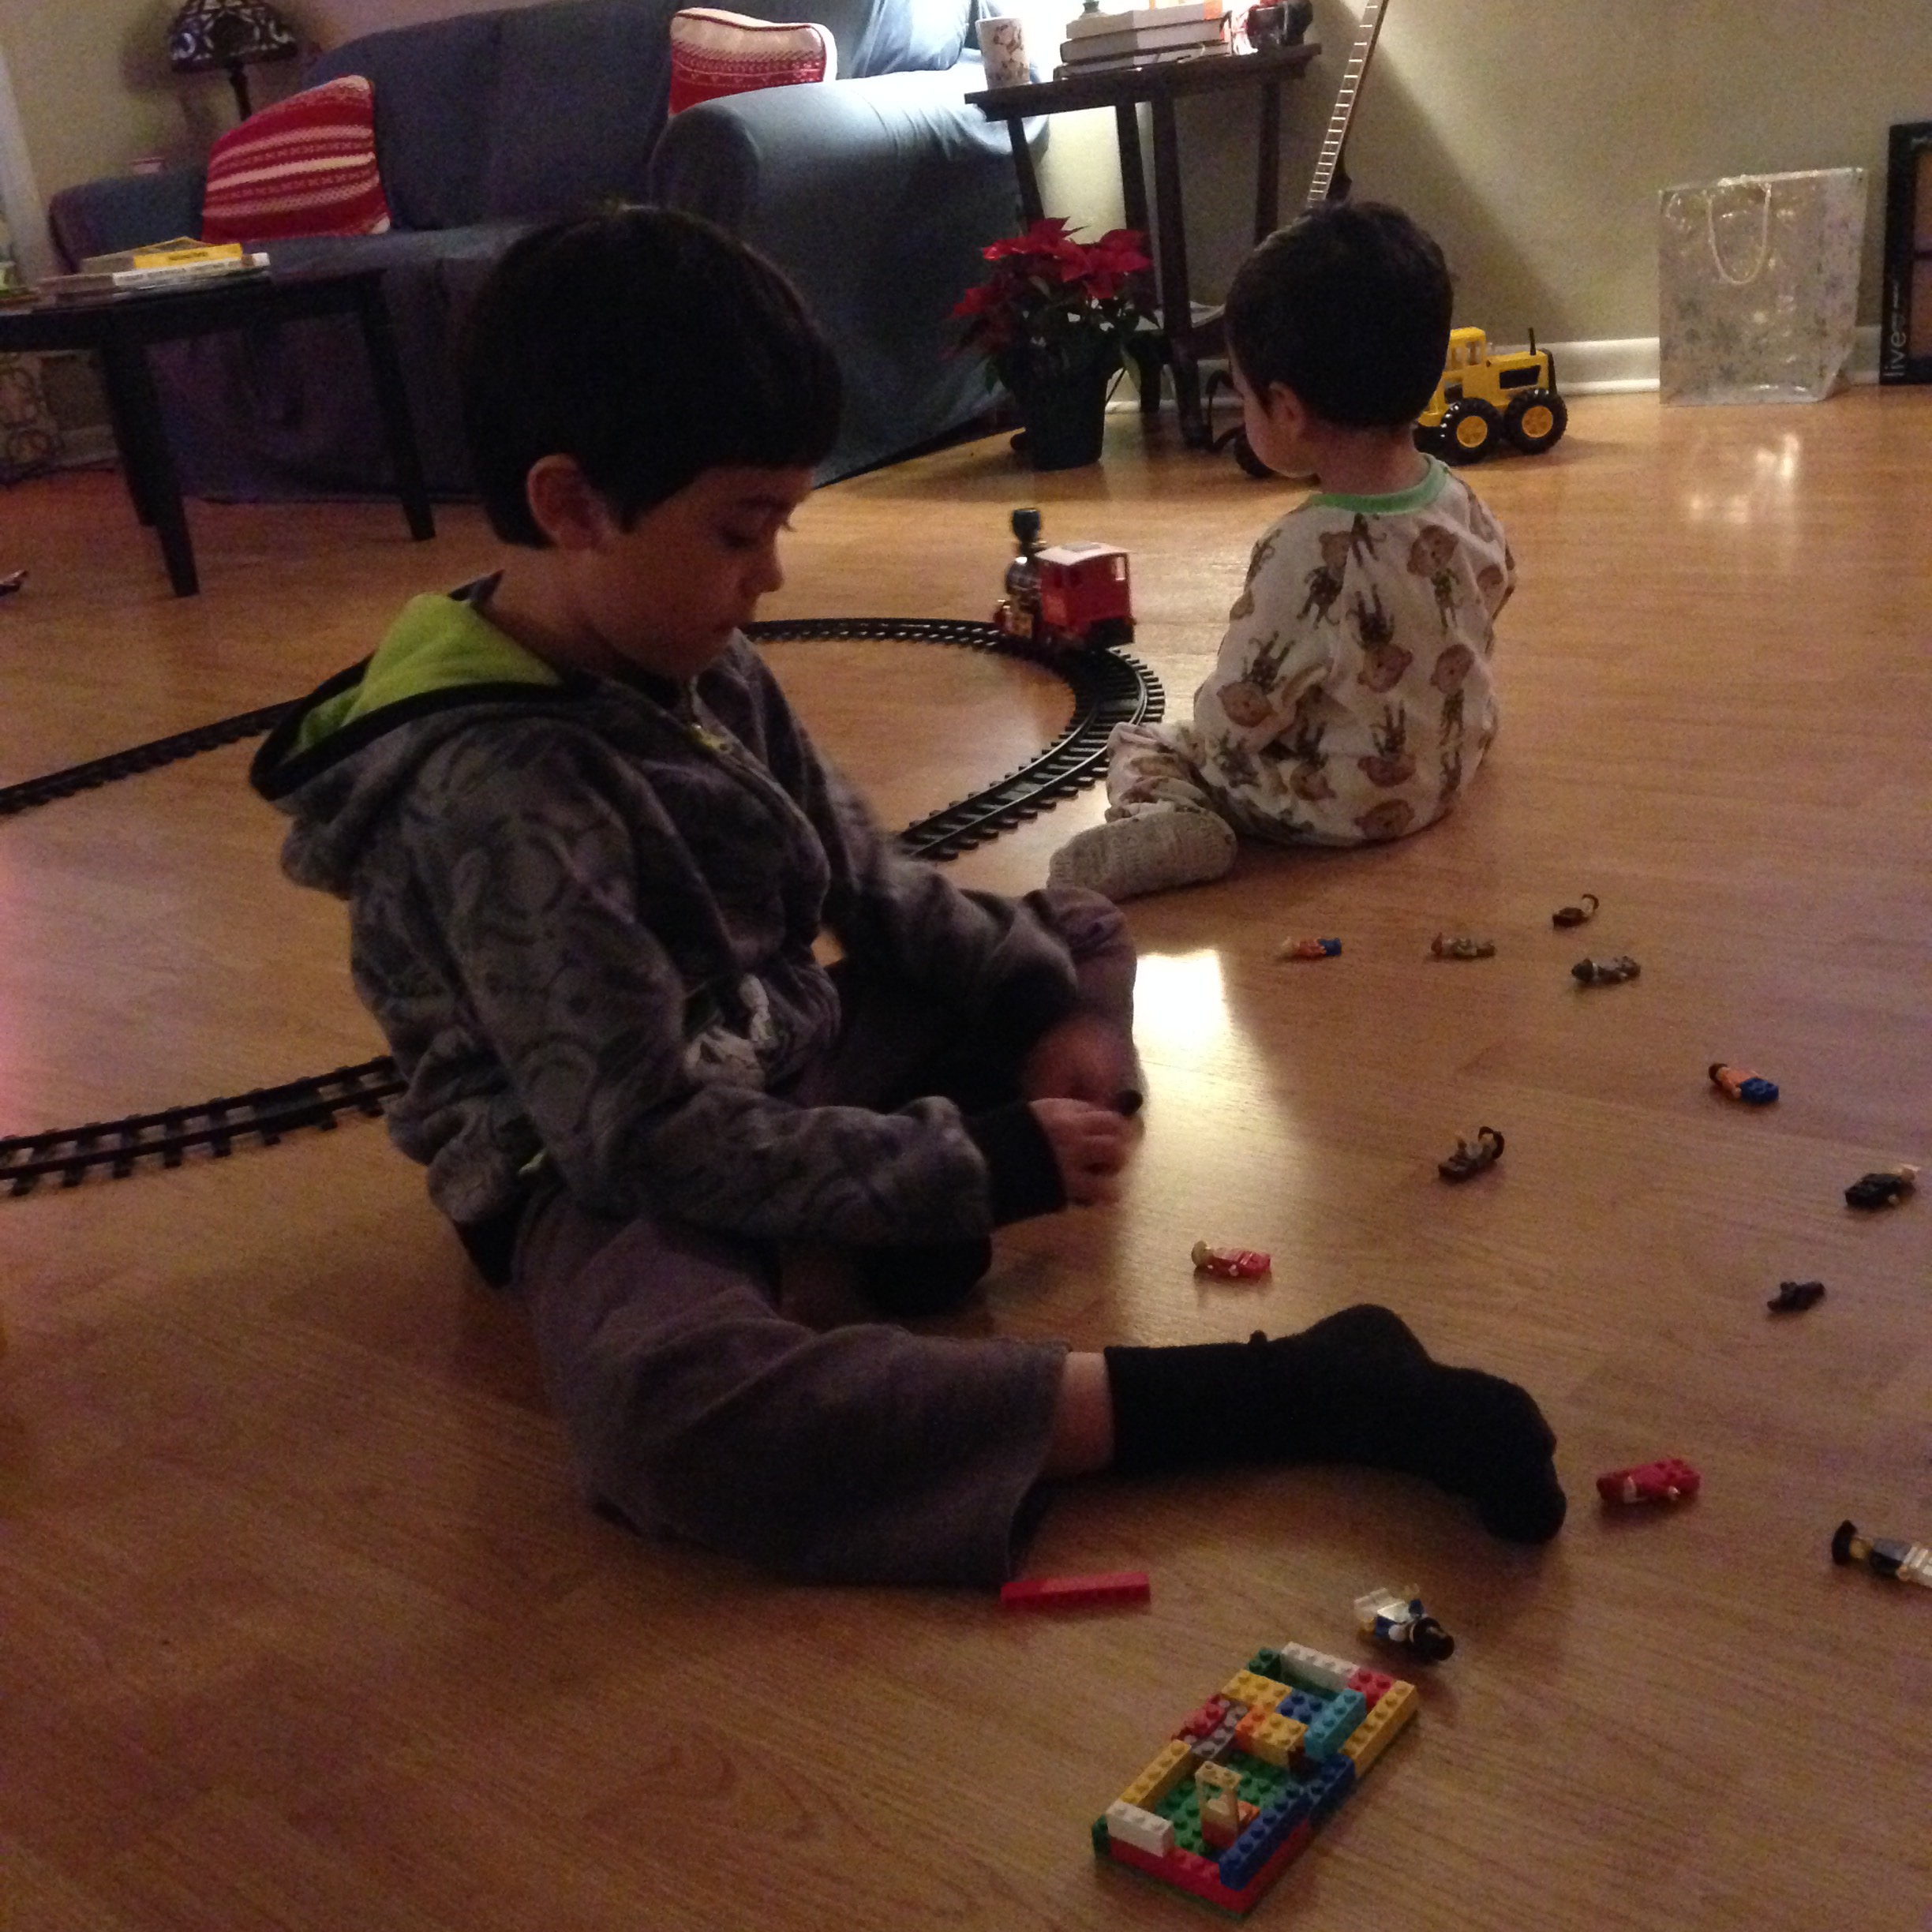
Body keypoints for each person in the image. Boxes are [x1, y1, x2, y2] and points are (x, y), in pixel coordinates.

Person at [251, 207, 1564, 1585]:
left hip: (776, 1055)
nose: (770, 575)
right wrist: (967, 1166)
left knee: (1068, 933)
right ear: (574, 506)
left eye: (779, 524)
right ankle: (1292, 1387)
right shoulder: (496, 795)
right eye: (740, 529)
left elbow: (864, 880)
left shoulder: (686, 643)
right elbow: (638, 1136)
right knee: (671, 1411)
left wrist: (1037, 1005)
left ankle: (858, 1231)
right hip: (602, 1173)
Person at [1050, 200, 1515, 901]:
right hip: (1447, 772)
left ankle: (1173, 819)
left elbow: (1238, 712)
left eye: (1242, 395)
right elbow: (1498, 586)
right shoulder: (1458, 498)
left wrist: (1207, 736)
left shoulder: (1306, 552)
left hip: (1337, 807)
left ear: (1288, 411)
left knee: (1148, 742)